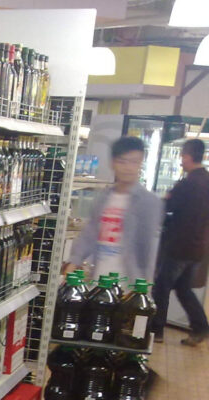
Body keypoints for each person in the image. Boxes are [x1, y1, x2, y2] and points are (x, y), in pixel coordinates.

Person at [66, 136, 163, 284]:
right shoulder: (104, 197)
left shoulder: (149, 202)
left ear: (141, 163)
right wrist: (74, 261)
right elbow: (90, 233)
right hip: (99, 280)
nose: (128, 168)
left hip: (129, 283)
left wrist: (146, 283)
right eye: (122, 161)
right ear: (112, 163)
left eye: (134, 162)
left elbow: (149, 249)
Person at [151, 138, 209, 346]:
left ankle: (156, 330)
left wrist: (166, 198)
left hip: (179, 246)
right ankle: (200, 327)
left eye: (182, 155)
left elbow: (167, 207)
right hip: (198, 247)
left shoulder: (186, 184)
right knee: (183, 288)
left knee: (161, 287)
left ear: (188, 156)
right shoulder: (207, 180)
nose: (181, 160)